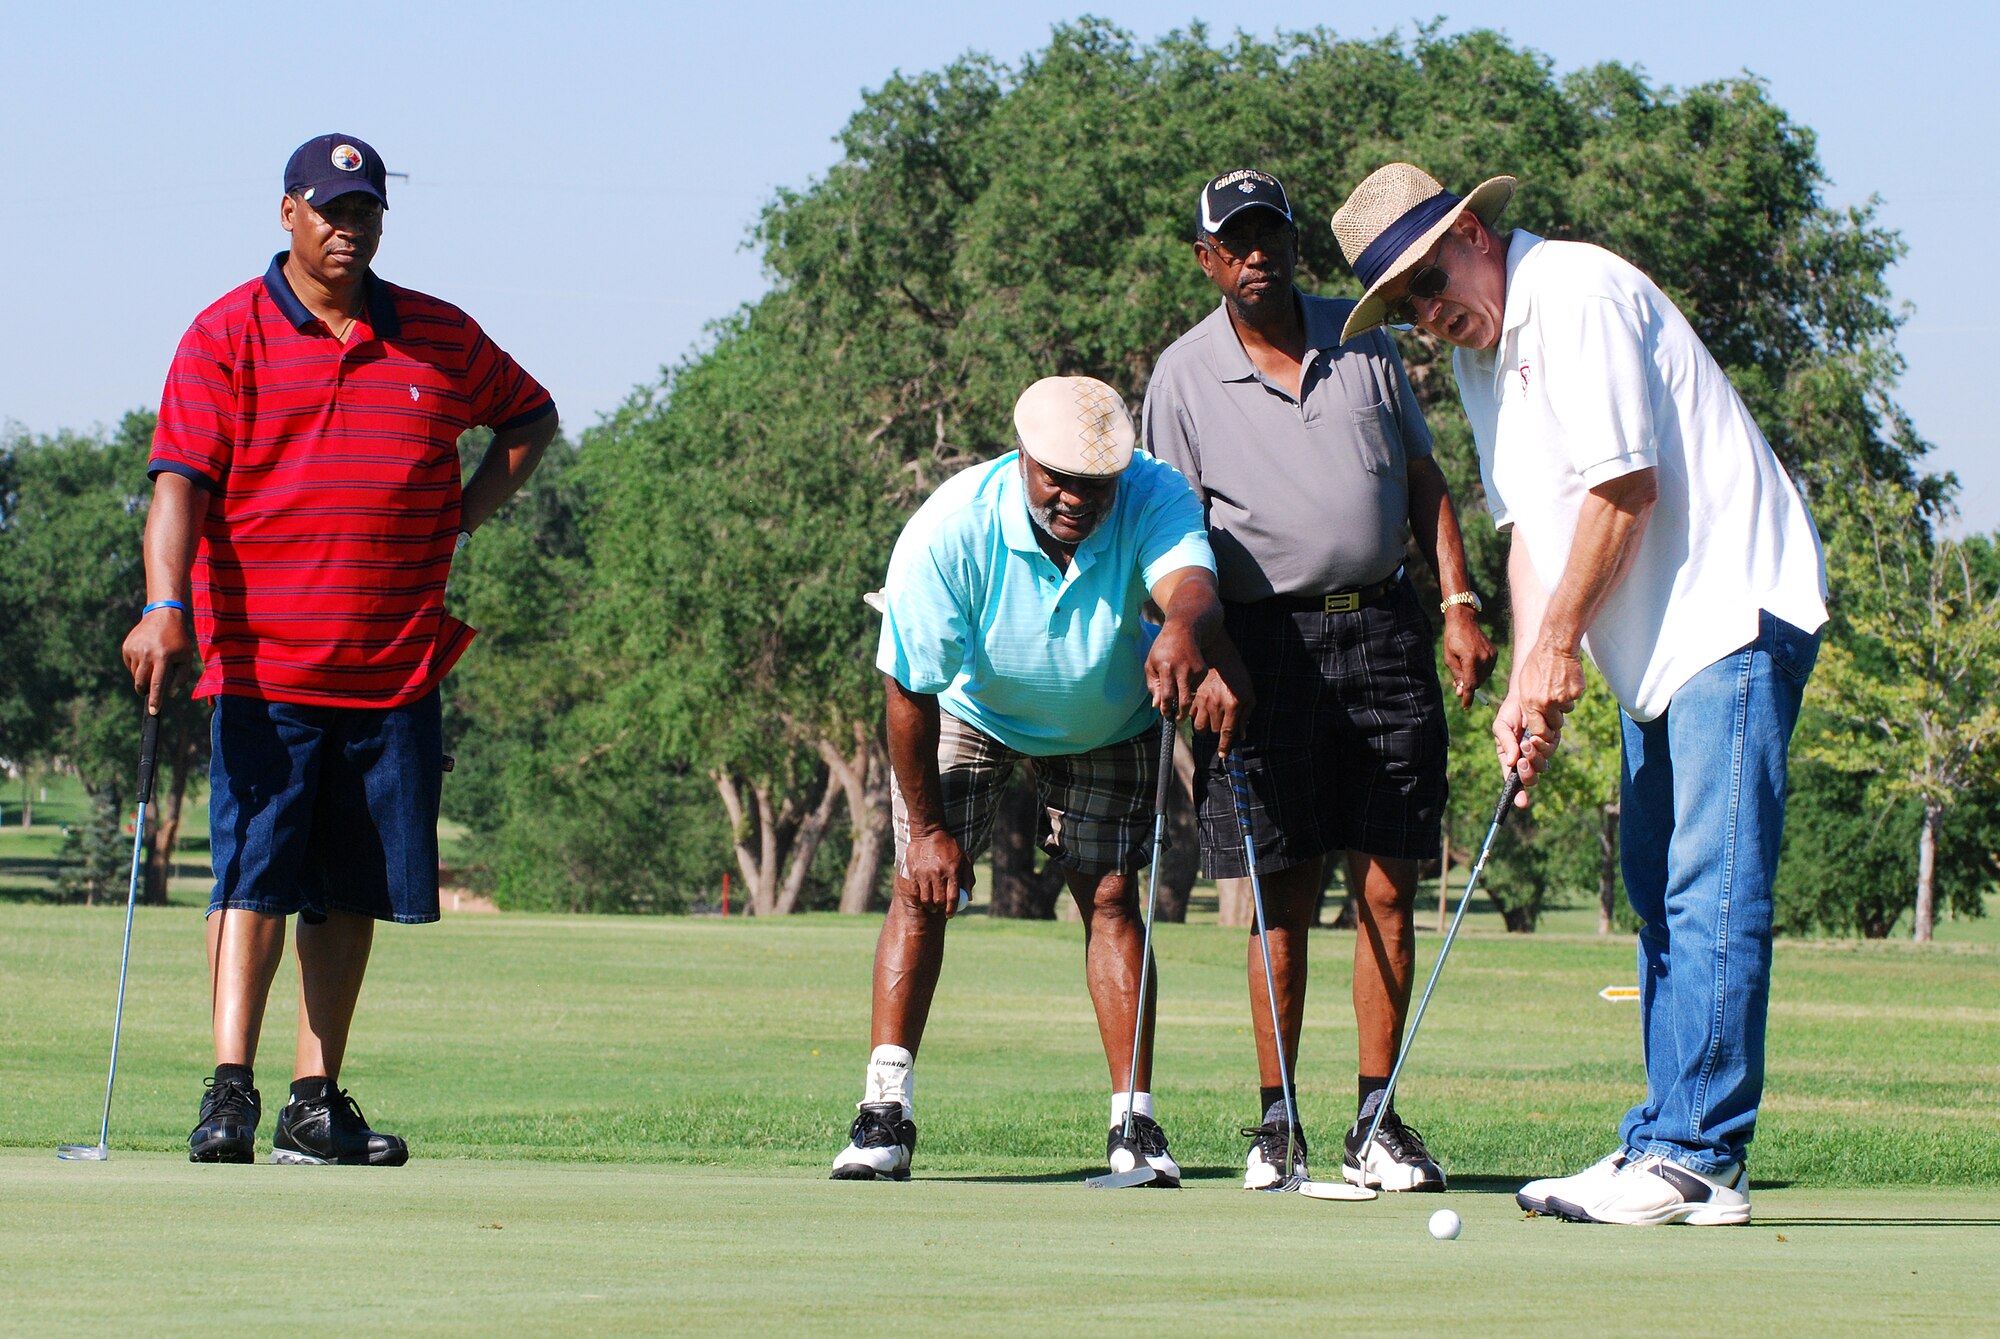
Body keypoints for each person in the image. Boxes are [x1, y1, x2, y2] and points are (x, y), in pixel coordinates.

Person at [1332, 162, 1828, 1225]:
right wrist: (1528, 674)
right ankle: (1667, 1142)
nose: (1427, 314)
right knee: (1658, 891)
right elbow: (1530, 532)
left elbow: (1621, 490)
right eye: (1404, 306)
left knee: (1710, 885)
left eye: (1428, 280)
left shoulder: (1575, 292)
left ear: (1470, 229)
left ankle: (1695, 1151)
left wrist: (1560, 640)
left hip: (1730, 610)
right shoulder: (1478, 356)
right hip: (1655, 648)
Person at [121, 134, 557, 1166]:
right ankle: (230, 1088)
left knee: (351, 890)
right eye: (328, 209)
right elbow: (177, 484)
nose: (346, 227)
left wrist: (457, 517)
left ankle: (314, 1100)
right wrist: (162, 601)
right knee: (251, 879)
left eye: (363, 210)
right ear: (287, 213)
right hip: (264, 666)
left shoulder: (437, 336)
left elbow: (528, 418)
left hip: (393, 666)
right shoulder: (224, 334)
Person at [1143, 169, 1495, 1193]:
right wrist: (1207, 656)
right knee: (1277, 892)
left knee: (1386, 885)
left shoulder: (1364, 338)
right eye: (1235, 241)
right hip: (1259, 648)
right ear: (1206, 259)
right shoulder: (1180, 376)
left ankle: (1375, 1121)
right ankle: (1276, 1124)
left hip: (1382, 630)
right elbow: (1167, 539)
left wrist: (1458, 602)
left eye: (1271, 234)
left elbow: (1422, 481)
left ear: (1294, 244)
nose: (1257, 253)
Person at [831, 375, 1238, 1186]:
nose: (1078, 497)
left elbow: (1188, 581)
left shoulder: (1154, 491)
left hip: (1109, 717)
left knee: (1113, 897)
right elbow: (907, 689)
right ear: (1023, 457)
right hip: (971, 705)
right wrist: (931, 830)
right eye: (1059, 478)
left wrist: (1186, 626)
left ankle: (1135, 1121)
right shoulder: (950, 528)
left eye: (1096, 482)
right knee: (921, 887)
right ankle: (884, 1112)